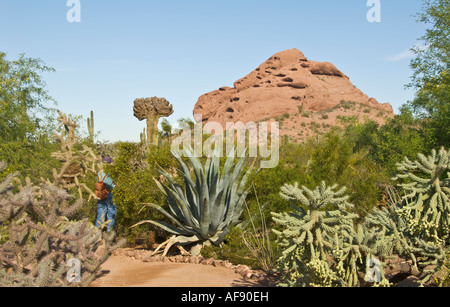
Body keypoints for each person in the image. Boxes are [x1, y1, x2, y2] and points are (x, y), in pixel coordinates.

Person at [95, 156, 117, 232]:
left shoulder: (99, 172)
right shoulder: (110, 173)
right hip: (109, 194)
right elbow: (111, 184)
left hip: (100, 194)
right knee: (111, 214)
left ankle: (96, 234)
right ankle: (109, 234)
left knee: (100, 214)